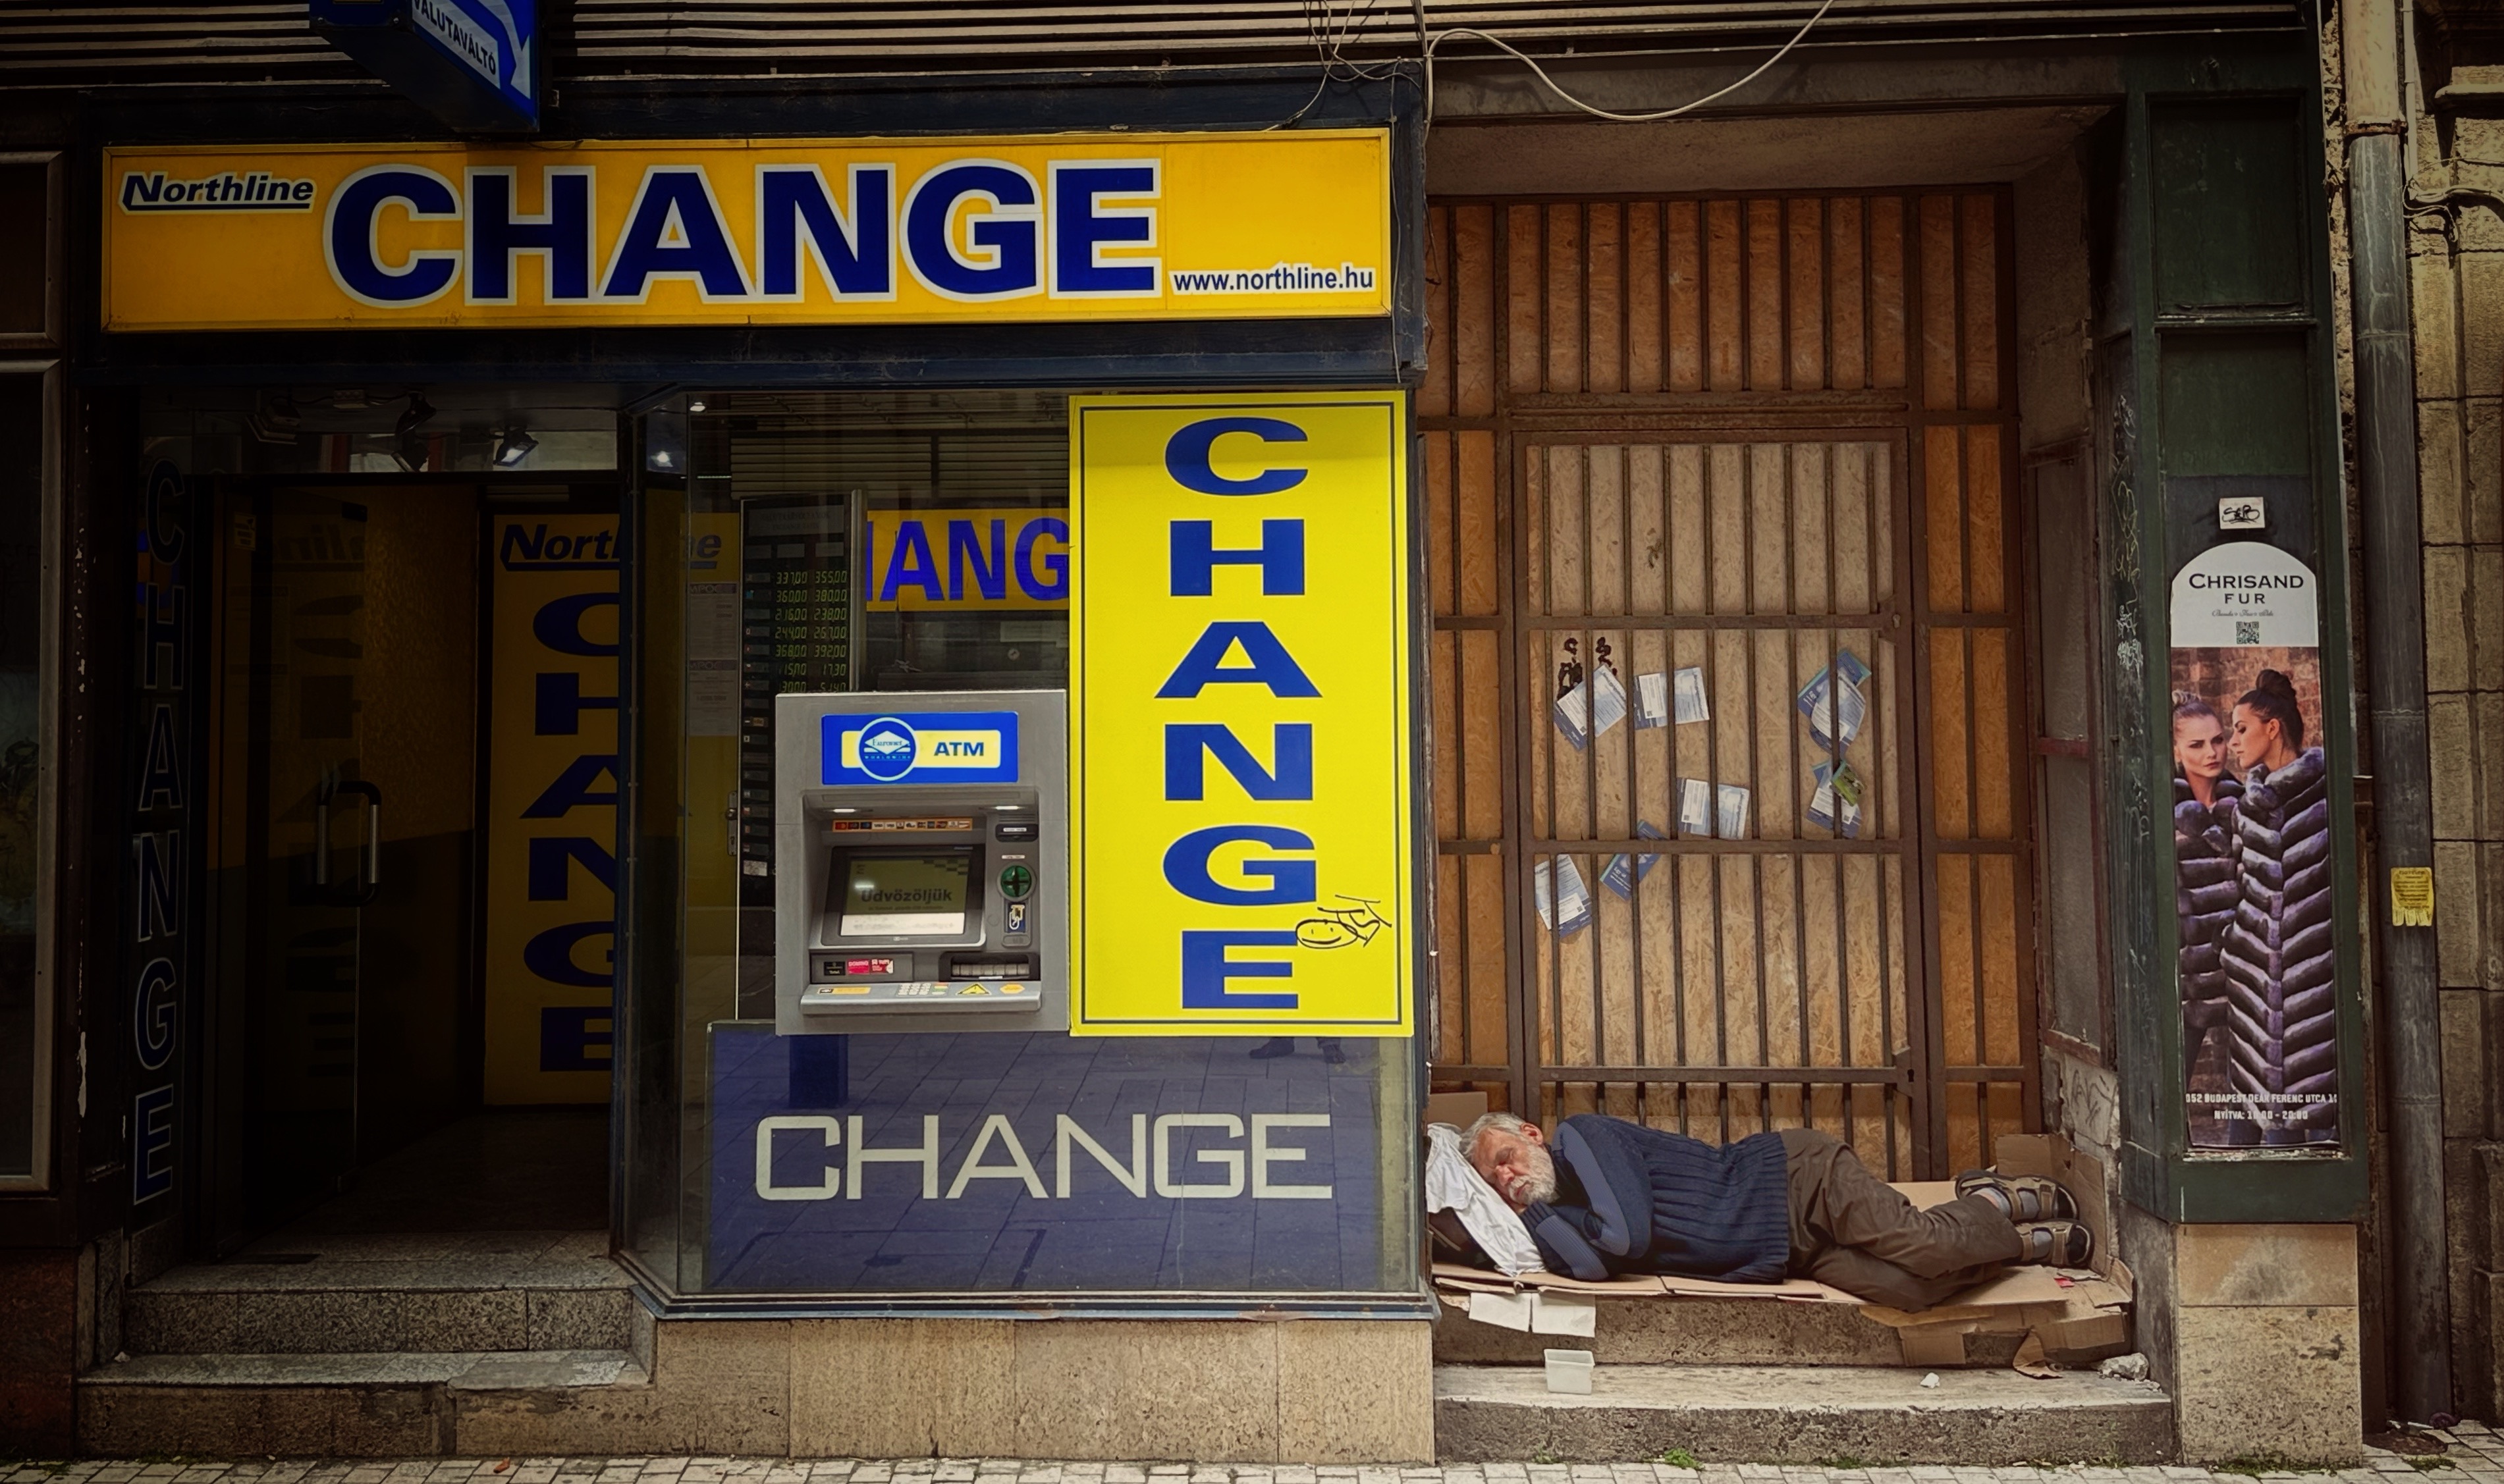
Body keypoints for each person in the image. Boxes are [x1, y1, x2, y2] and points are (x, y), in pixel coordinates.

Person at [1462, 1110, 2089, 1312]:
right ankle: (2022, 1244)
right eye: (1497, 1180)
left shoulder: (1582, 1136)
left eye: (1508, 1157)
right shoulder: (1560, 1216)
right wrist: (1527, 1216)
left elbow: (1625, 1241)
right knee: (1910, 1289)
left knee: (1923, 1245)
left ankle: (1991, 1201)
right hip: (1789, 1253)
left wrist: (1541, 1219)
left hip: (1795, 1179)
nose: (1510, 1177)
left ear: (1531, 1132)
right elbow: (1592, 1272)